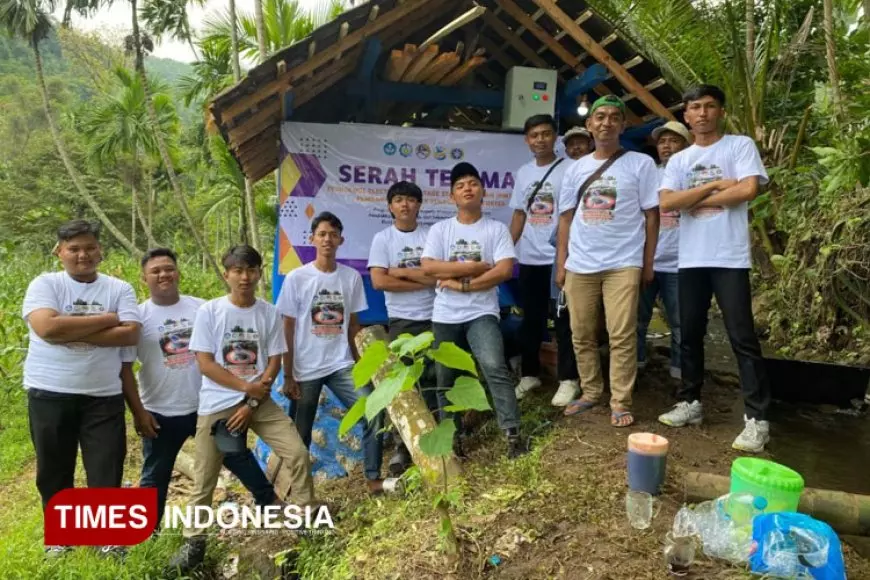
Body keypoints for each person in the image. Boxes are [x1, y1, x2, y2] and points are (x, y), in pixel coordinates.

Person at [167, 245, 315, 576]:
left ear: (259, 272)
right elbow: (205, 363)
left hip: (259, 402)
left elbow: (275, 359)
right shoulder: (210, 312)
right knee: (204, 477)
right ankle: (194, 543)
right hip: (217, 403)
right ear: (227, 274)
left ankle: (307, 519)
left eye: (250, 270)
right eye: (237, 271)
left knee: (297, 453)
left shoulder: (268, 312)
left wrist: (251, 401)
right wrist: (245, 388)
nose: (244, 277)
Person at [121, 248, 279, 531]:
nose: (163, 274)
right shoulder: (139, 318)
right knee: (155, 474)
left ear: (178, 272)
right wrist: (138, 412)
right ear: (144, 279)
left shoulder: (204, 308)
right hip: (161, 410)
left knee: (236, 455)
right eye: (155, 271)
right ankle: (148, 532)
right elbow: (125, 368)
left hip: (208, 405)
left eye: (169, 268)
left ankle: (270, 503)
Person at [656, 85, 772, 453]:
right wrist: (716, 185)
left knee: (742, 336)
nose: (702, 113)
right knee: (688, 332)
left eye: (709, 106)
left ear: (720, 111)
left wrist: (693, 198)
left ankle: (757, 418)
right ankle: (690, 401)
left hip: (730, 256)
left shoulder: (739, 146)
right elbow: (668, 203)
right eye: (695, 108)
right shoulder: (678, 160)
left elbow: (748, 190)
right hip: (690, 258)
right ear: (686, 116)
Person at [22, 220, 140, 557]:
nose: (82, 254)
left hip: (103, 394)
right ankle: (61, 538)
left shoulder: (119, 288)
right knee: (54, 467)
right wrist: (107, 319)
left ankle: (106, 538)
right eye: (73, 248)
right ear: (59, 252)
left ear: (100, 250)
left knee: (106, 465)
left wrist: (66, 328)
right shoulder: (45, 284)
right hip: (49, 391)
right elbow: (46, 327)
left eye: (89, 247)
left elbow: (130, 334)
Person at [556, 95, 660, 428]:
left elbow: (652, 216)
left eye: (614, 117)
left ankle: (620, 400)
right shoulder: (575, 169)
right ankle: (590, 392)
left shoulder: (640, 164)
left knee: (621, 334)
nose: (606, 122)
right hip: (581, 263)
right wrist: (562, 264)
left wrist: (647, 262)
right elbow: (566, 219)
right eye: (599, 116)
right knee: (582, 333)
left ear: (623, 124)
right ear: (589, 125)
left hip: (623, 262)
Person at [421, 162, 527, 458]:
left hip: (482, 312)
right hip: (445, 316)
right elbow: (429, 266)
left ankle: (513, 434)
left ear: (483, 191)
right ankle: (451, 442)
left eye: (472, 183)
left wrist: (461, 284)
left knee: (494, 367)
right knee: (446, 379)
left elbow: (505, 269)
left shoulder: (496, 229)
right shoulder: (441, 230)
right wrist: (474, 267)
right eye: (460, 185)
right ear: (452, 196)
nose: (467, 188)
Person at [278, 212, 385, 494]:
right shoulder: (297, 278)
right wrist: (288, 374)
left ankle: (373, 479)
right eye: (322, 234)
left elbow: (353, 326)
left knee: (372, 412)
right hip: (305, 369)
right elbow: (286, 328)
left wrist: (363, 368)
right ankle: (297, 495)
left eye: (333, 234)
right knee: (298, 435)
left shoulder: (350, 278)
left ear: (341, 240)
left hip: (341, 365)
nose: (327, 239)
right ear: (312, 239)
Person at [367, 181, 439, 474]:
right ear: (390, 207)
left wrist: (401, 273)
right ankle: (402, 447)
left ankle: (441, 441)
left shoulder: (432, 235)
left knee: (437, 379)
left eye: (411, 200)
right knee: (405, 384)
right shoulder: (382, 239)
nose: (405, 205)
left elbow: (437, 278)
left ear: (419, 205)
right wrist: (419, 277)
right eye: (398, 200)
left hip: (436, 316)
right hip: (401, 321)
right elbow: (379, 281)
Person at [508, 114, 578, 406]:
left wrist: (564, 258)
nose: (540, 139)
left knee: (563, 320)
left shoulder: (571, 169)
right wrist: (507, 251)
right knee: (532, 319)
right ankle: (530, 374)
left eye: (546, 134)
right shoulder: (523, 173)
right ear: (526, 140)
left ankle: (568, 379)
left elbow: (572, 215)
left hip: (560, 258)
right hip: (529, 258)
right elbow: (519, 214)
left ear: (556, 138)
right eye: (534, 135)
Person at [636, 121, 691, 379]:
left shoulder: (693, 174)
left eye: (674, 141)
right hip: (645, 259)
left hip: (680, 262)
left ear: (686, 144)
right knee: (636, 319)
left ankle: (680, 372)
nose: (667, 146)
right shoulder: (649, 175)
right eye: (662, 142)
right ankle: (636, 363)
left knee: (680, 322)